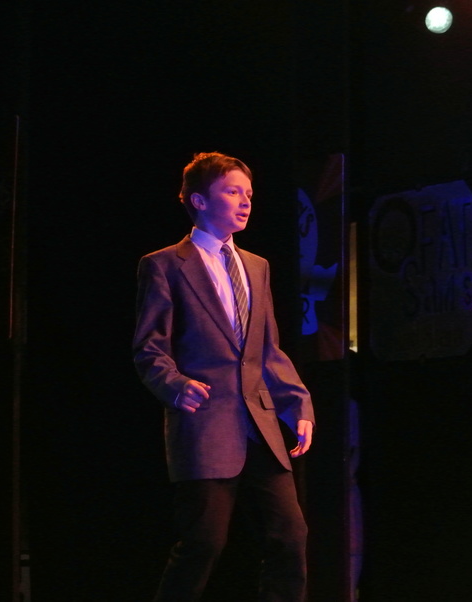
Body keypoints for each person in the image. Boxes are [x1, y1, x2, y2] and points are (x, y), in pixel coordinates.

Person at [133, 151, 315, 602]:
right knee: (204, 543)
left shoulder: (257, 266)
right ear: (199, 200)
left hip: (260, 424)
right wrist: (176, 385)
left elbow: (267, 350)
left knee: (290, 536)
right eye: (232, 192)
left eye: (248, 193)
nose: (245, 201)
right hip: (206, 424)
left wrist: (298, 404)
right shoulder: (164, 264)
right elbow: (149, 347)